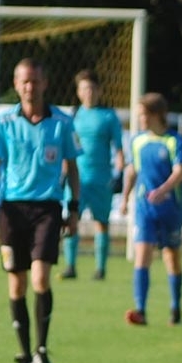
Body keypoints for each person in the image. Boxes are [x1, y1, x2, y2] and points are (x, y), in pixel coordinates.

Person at [0, 58, 80, 363]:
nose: (29, 87)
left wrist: (73, 209)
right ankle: (23, 354)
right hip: (11, 209)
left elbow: (72, 168)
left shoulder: (61, 123)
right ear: (16, 84)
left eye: (35, 81)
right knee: (17, 284)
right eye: (24, 81)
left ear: (44, 83)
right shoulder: (4, 122)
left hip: (47, 208)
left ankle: (42, 350)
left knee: (41, 278)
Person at [119, 93, 182, 326]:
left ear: (157, 115)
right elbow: (132, 170)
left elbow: (180, 171)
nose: (140, 119)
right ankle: (140, 310)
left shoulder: (174, 141)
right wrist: (125, 197)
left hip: (170, 208)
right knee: (142, 256)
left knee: (171, 257)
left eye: (144, 114)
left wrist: (163, 190)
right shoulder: (137, 141)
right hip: (144, 208)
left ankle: (176, 307)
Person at [61, 69, 125, 281]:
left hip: (101, 179)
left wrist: (119, 174)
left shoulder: (108, 116)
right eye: (83, 89)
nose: (88, 93)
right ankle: (70, 266)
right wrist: (62, 175)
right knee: (71, 220)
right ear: (78, 92)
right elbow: (66, 148)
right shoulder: (73, 116)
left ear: (99, 90)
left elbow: (118, 149)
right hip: (76, 179)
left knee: (101, 222)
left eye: (91, 88)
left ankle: (100, 268)